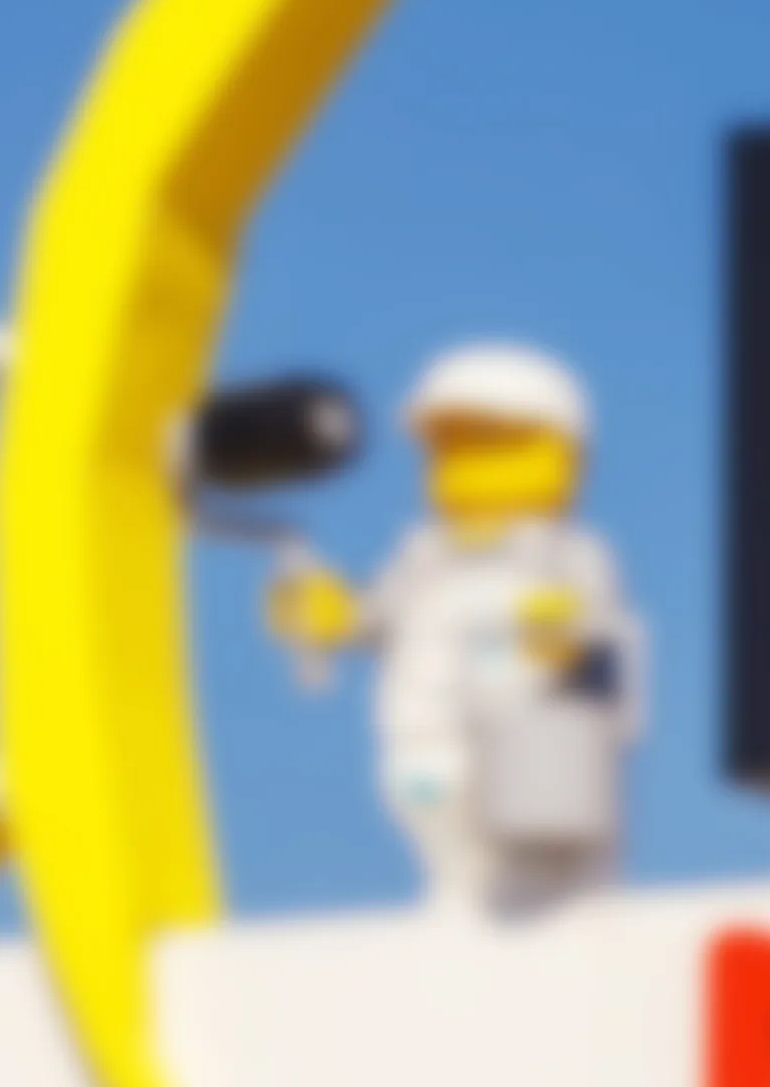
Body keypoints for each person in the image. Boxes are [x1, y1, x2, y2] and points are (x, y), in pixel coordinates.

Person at [269, 334, 640, 915]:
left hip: (527, 759)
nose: (465, 463)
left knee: (530, 866)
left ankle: (532, 907)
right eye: (451, 448)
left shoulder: (564, 553)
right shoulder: (425, 553)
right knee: (442, 832)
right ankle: (457, 901)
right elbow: (377, 613)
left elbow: (601, 646)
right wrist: (331, 612)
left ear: (562, 454)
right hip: (421, 750)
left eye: (489, 443)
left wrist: (560, 641)